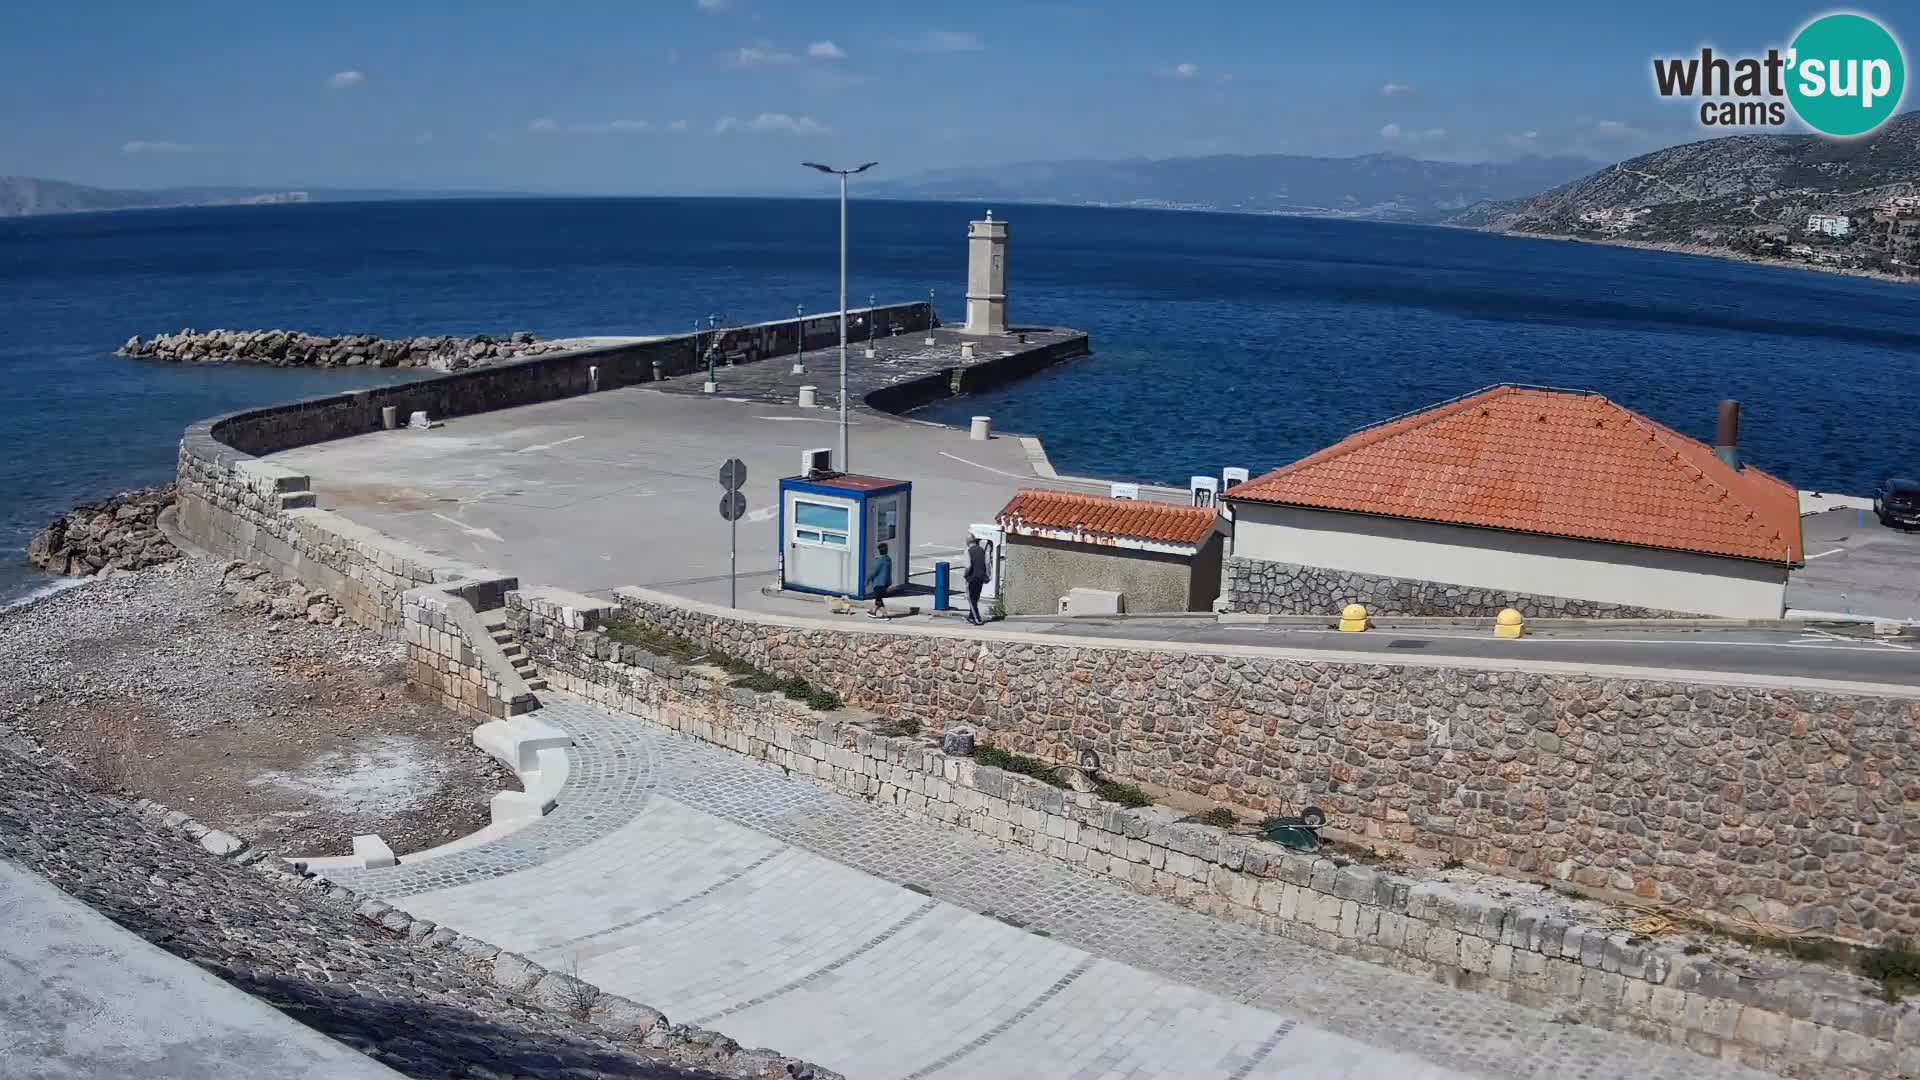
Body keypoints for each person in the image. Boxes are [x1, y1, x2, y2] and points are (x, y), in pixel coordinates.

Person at [963, 536, 989, 624]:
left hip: (972, 577)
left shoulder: (968, 551)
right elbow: (987, 563)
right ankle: (971, 617)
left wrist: (965, 574)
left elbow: (968, 566)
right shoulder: (982, 550)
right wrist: (987, 575)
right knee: (975, 597)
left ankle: (977, 618)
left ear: (968, 542)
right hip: (981, 577)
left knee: (971, 598)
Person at [866, 542, 893, 619]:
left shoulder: (879, 560)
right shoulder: (888, 559)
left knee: (878, 600)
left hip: (879, 583)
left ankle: (885, 615)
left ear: (879, 551)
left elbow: (874, 572)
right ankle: (873, 612)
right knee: (878, 598)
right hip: (886, 582)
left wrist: (868, 579)